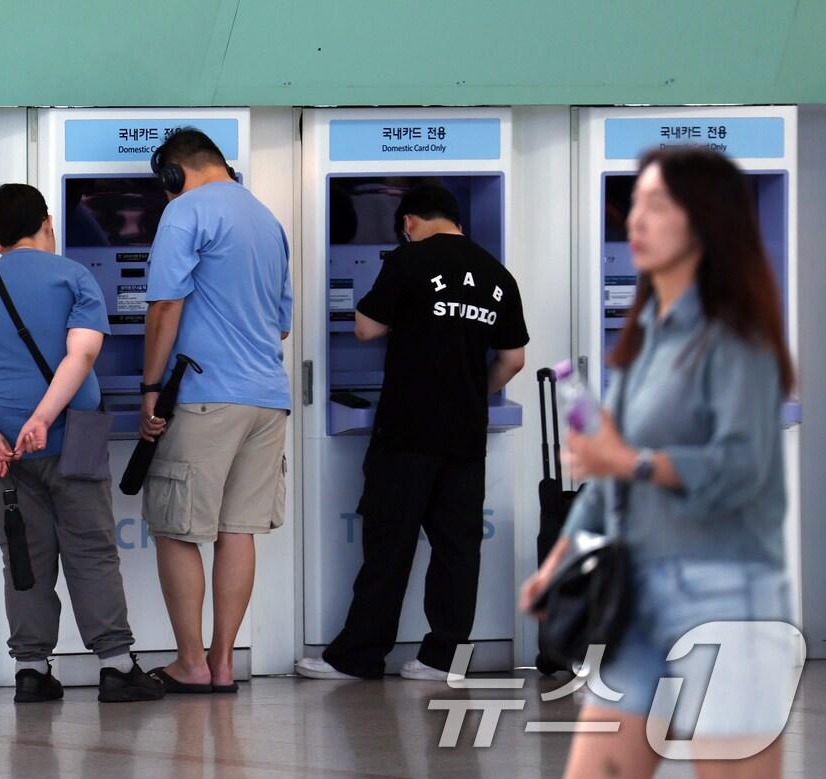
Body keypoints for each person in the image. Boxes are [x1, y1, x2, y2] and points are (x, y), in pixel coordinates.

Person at [521, 148, 798, 778]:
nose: (636, 222)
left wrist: (631, 459)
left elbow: (740, 468)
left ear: (705, 222)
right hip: (637, 591)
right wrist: (557, 563)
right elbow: (605, 476)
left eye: (658, 206)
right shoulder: (647, 337)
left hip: (727, 594)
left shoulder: (738, 339)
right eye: (635, 204)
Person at [0, 183, 164, 704]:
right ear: (47, 223)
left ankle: (32, 672)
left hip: (1, 457)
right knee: (91, 551)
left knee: (23, 557)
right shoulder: (73, 277)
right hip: (71, 439)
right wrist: (43, 417)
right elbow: (81, 355)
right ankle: (114, 666)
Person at [297, 184, 528, 682]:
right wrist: (472, 392)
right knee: (458, 549)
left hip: (407, 428)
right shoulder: (498, 275)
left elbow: (364, 328)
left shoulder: (409, 260)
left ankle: (358, 656)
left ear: (408, 223)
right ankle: (444, 659)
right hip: (466, 434)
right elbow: (514, 359)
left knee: (389, 544)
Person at [137, 128, 292, 694]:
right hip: (266, 399)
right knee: (238, 530)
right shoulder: (267, 220)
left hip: (203, 395)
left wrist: (150, 387)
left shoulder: (185, 213)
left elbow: (163, 308)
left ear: (173, 174)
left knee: (176, 528)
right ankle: (224, 663)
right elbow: (279, 322)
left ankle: (191, 663)